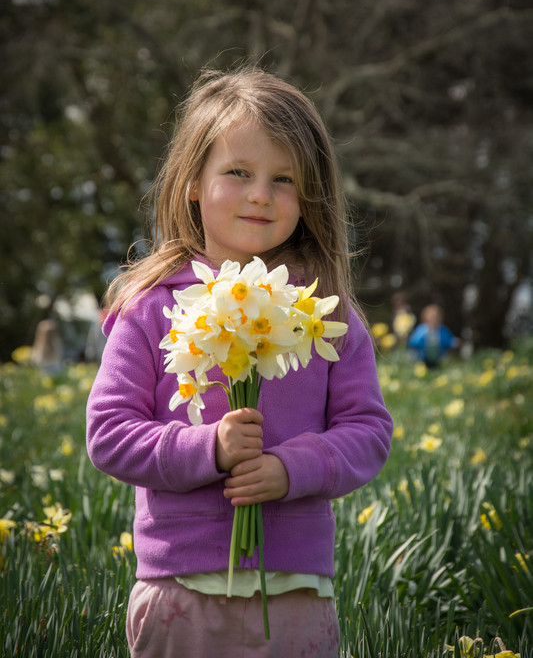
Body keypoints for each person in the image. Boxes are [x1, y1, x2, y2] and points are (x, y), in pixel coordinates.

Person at [86, 66, 394, 658]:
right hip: (182, 589)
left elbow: (369, 430)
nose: (261, 194)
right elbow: (108, 435)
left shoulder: (321, 311)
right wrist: (210, 448)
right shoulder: (152, 307)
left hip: (296, 589)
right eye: (238, 172)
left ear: (309, 195)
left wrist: (291, 469)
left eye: (284, 179)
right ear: (192, 182)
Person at [407, 303, 460, 368]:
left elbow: (448, 340)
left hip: (438, 358)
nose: (435, 319)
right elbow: (414, 341)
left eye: (437, 317)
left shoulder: (442, 330)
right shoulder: (422, 329)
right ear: (425, 318)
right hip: (423, 358)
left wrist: (454, 342)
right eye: (432, 317)